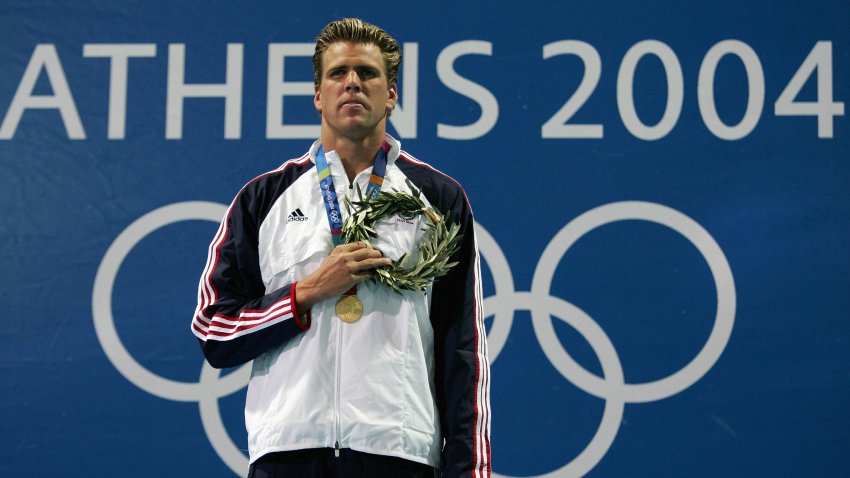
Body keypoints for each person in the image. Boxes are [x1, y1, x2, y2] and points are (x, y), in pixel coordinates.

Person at [191, 18, 490, 478]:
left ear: (391, 93)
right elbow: (215, 331)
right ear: (318, 95)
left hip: (398, 451)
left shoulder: (438, 198)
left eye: (367, 74)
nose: (352, 82)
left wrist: (470, 471)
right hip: (287, 453)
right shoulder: (263, 198)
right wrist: (304, 293)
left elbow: (463, 349)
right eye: (338, 73)